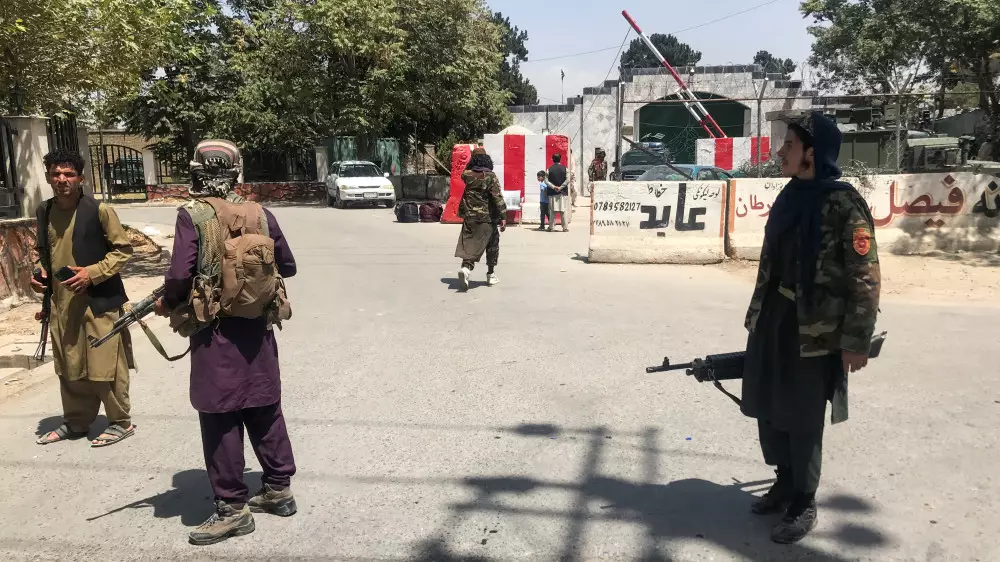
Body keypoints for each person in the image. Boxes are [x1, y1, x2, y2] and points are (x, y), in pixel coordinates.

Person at [740, 111, 881, 544]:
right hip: (774, 318)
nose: (780, 151)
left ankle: (804, 499)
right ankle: (784, 481)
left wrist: (856, 340)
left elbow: (865, 276)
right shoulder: (789, 196)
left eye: (789, 144)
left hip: (814, 329)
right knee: (769, 405)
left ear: (812, 153)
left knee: (802, 415)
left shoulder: (843, 204)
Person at [154, 139, 298, 546]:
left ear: (196, 172)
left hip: (215, 333)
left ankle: (233, 509)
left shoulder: (193, 215)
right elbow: (287, 265)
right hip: (258, 331)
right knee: (264, 407)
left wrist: (168, 301)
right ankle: (278, 489)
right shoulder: (260, 213)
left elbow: (179, 276)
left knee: (220, 417)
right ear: (236, 173)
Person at [32, 149, 136, 448]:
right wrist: (39, 273)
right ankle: (77, 422)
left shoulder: (99, 210)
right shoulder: (44, 211)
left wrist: (92, 273)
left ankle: (121, 422)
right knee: (70, 366)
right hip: (62, 304)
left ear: (81, 178)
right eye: (56, 174)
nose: (62, 179)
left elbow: (123, 250)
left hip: (99, 301)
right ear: (48, 177)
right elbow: (43, 252)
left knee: (105, 365)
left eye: (69, 174)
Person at [455, 147, 506, 291]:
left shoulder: (466, 175)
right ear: (487, 160)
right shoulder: (490, 176)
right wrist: (503, 216)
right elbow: (497, 197)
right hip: (487, 217)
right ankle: (490, 275)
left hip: (470, 216)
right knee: (492, 244)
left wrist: (471, 163)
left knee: (470, 243)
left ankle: (466, 268)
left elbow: (466, 171)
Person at [545, 153, 569, 232]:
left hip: (552, 193)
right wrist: (561, 187)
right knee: (563, 210)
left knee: (552, 211)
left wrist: (554, 187)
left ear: (553, 159)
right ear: (560, 159)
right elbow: (568, 180)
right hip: (562, 193)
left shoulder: (549, 169)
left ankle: (551, 227)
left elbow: (546, 181)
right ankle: (565, 228)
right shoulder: (565, 169)